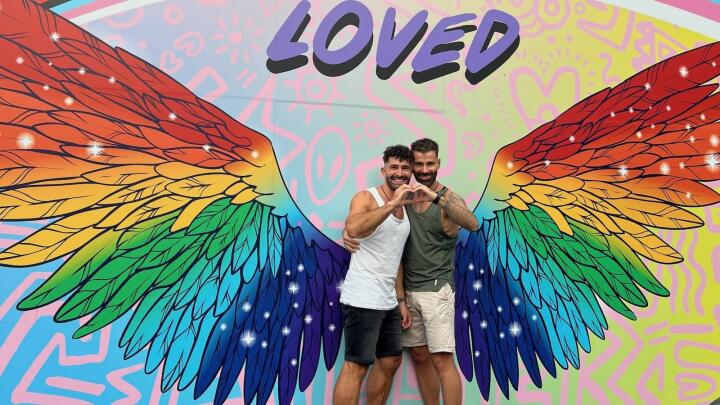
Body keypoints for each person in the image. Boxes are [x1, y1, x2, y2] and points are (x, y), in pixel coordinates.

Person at [343, 138, 479, 405]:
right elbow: (374, 228)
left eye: (430, 163)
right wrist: (348, 232)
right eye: (419, 164)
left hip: (437, 290)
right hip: (403, 293)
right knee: (417, 355)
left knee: (441, 358)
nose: (424, 169)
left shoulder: (447, 197)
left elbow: (472, 224)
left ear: (438, 163)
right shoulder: (403, 198)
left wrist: (436, 198)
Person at [333, 145, 414, 405]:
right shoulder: (366, 197)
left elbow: (395, 257)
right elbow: (354, 228)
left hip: (388, 299)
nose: (399, 172)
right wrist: (392, 204)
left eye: (404, 168)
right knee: (356, 366)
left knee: (391, 360)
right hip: (362, 297)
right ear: (383, 170)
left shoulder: (406, 206)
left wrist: (401, 301)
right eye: (394, 167)